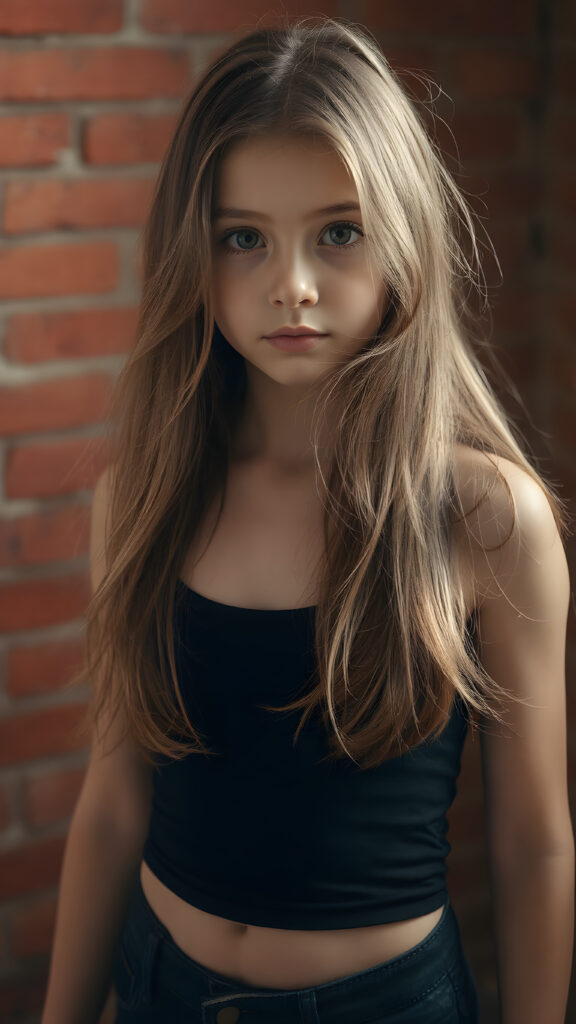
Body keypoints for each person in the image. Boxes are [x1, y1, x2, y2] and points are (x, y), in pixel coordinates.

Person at [40, 16, 574, 1024]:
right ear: (195, 253)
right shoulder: (147, 496)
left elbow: (535, 841)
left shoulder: (488, 519)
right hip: (158, 989)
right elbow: (114, 801)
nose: (291, 283)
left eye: (338, 231)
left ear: (402, 237)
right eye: (245, 237)